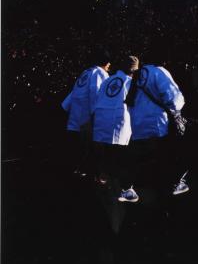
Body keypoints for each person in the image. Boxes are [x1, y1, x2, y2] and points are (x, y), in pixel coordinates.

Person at [127, 58, 189, 197]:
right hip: (158, 124)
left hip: (137, 125)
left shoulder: (138, 74)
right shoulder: (159, 71)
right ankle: (174, 185)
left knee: (146, 160)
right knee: (169, 156)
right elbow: (175, 99)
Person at [91, 55, 138, 202]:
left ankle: (102, 181)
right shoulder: (131, 82)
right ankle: (126, 190)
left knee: (106, 153)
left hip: (101, 120)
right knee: (122, 156)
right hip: (118, 123)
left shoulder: (107, 80)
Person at [61, 50, 111, 176]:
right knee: (94, 150)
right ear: (105, 63)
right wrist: (96, 117)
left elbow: (73, 94)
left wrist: (66, 110)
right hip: (88, 119)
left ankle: (80, 172)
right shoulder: (100, 73)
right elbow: (97, 94)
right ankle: (97, 176)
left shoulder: (86, 72)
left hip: (75, 118)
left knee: (80, 151)